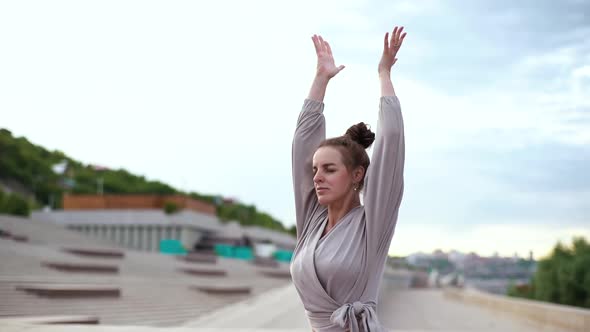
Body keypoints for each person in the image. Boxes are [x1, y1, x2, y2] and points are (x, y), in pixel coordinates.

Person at [290, 26, 407, 332]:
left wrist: (384, 73)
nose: (317, 177)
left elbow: (391, 139)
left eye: (329, 169)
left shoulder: (373, 225)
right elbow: (301, 144)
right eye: (316, 170)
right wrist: (321, 78)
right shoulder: (311, 222)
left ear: (357, 175)